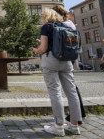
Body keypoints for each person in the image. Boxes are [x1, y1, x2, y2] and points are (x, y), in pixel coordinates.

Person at [32, 9, 82, 137]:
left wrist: (36, 50)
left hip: (51, 60)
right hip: (66, 60)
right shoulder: (66, 25)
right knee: (72, 92)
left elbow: (43, 48)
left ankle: (59, 127)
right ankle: (74, 125)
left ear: (45, 17)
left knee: (55, 92)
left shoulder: (46, 27)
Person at [52, 5, 86, 124]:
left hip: (64, 55)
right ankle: (79, 114)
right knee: (72, 86)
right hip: (70, 54)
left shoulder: (63, 24)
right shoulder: (70, 23)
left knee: (71, 87)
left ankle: (78, 114)